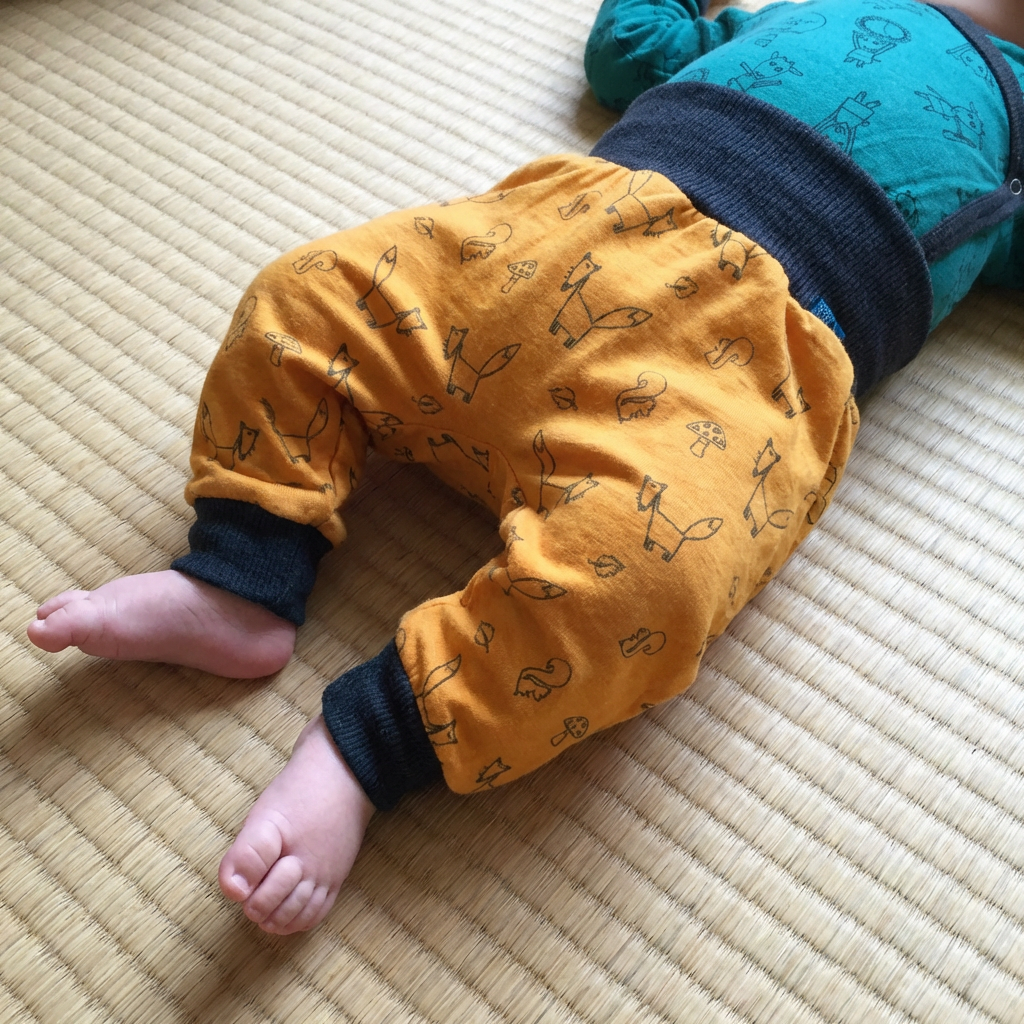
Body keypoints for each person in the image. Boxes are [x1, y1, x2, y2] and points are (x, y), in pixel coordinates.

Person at [26, 0, 1024, 935]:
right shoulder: (780, 18)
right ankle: (244, 568)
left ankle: (375, 739)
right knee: (308, 296)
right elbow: (627, 52)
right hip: (562, 235)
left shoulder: (1011, 104)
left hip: (744, 353)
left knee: (654, 575)